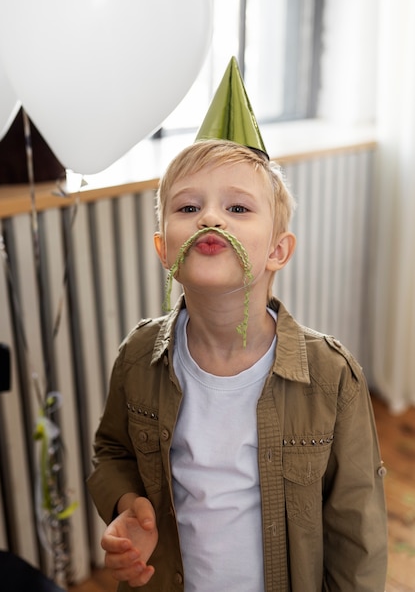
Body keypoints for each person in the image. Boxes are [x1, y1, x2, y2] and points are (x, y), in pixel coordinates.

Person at [87, 58, 388, 592]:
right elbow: (111, 453)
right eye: (187, 206)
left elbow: (356, 529)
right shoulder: (137, 357)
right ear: (164, 249)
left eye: (237, 207)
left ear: (277, 250)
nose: (211, 218)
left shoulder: (331, 376)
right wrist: (127, 504)